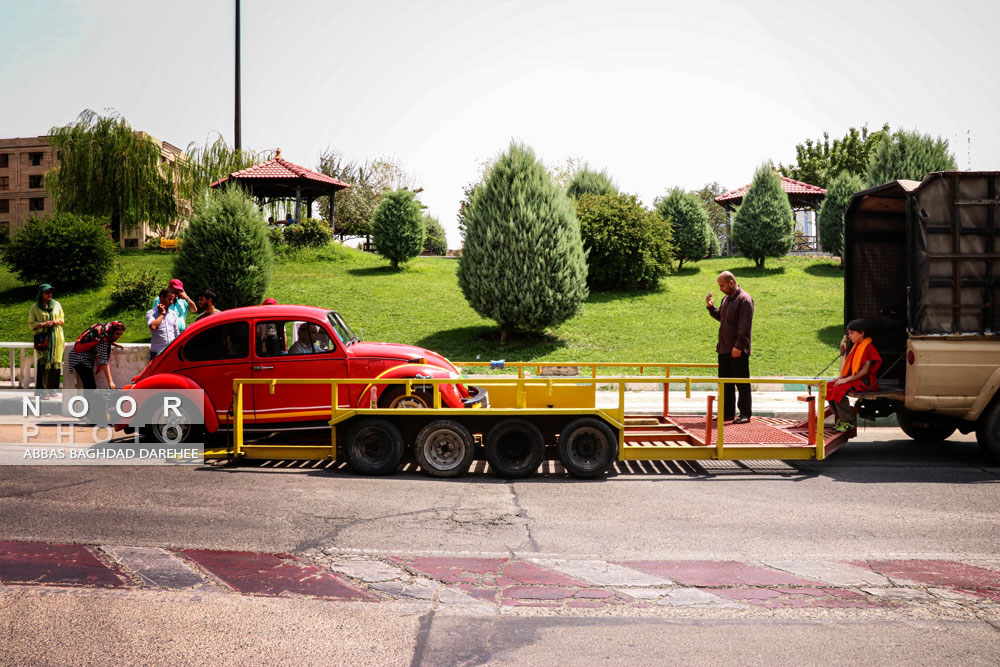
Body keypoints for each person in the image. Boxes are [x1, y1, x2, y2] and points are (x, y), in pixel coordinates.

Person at [705, 271, 754, 423]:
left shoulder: (744, 300)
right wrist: (711, 307)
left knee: (742, 382)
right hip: (724, 348)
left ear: (731, 283)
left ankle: (745, 414)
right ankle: (727, 413)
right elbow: (722, 318)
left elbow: (744, 326)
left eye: (722, 286)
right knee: (725, 383)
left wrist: (738, 346)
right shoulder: (726, 299)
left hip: (737, 349)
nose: (721, 289)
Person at [828, 320, 882, 432]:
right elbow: (849, 369)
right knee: (828, 387)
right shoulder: (856, 346)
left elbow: (864, 371)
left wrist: (846, 380)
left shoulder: (868, 348)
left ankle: (849, 421)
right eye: (849, 333)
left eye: (852, 333)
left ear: (862, 333)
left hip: (865, 381)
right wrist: (839, 378)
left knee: (839, 390)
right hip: (855, 378)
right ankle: (841, 419)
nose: (849, 336)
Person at [28, 283, 65, 392]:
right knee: (44, 363)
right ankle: (42, 392)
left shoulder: (57, 304)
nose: (50, 294)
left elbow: (62, 319)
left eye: (51, 292)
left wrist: (58, 321)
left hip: (57, 337)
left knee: (56, 363)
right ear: (41, 294)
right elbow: (31, 324)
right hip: (43, 338)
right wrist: (44, 324)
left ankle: (53, 390)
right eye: (47, 292)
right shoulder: (35, 307)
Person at [69, 321, 125, 389]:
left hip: (78, 357)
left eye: (120, 334)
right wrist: (110, 382)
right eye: (117, 334)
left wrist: (114, 344)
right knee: (90, 387)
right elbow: (104, 362)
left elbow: (101, 340)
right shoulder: (102, 341)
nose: (118, 336)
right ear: (112, 331)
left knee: (88, 386)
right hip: (80, 360)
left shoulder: (103, 331)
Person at [147, 289, 181, 360]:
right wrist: (162, 313)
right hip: (157, 353)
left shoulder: (173, 314)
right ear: (161, 297)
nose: (171, 302)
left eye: (173, 300)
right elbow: (153, 326)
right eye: (169, 299)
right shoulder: (151, 313)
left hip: (171, 353)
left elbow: (176, 334)